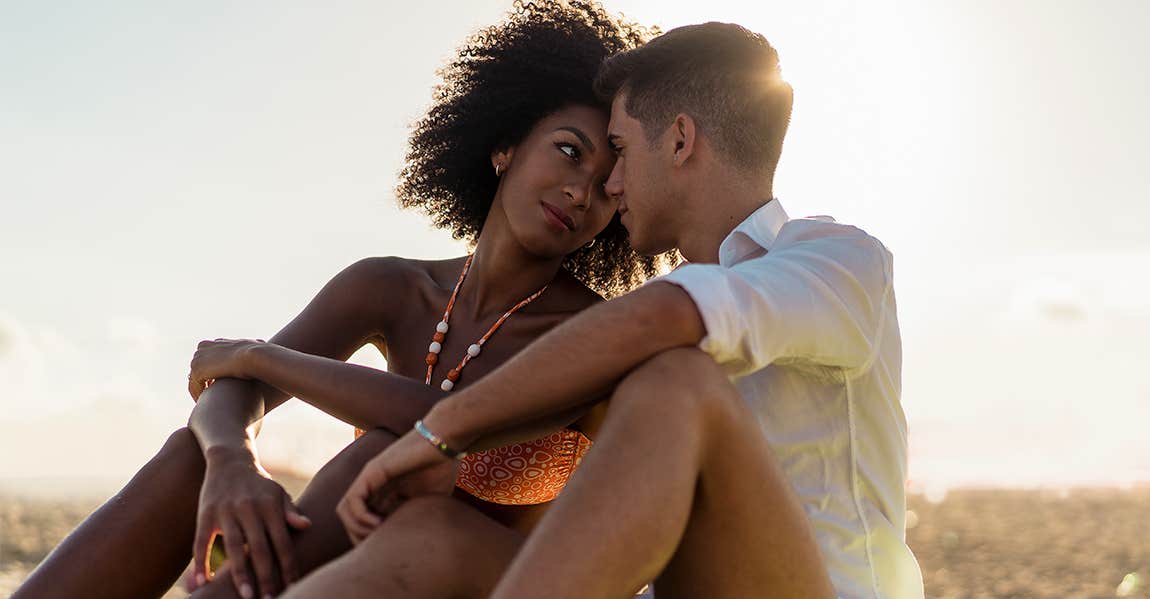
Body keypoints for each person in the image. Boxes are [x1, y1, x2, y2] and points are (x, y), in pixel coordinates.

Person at [12, 3, 666, 598]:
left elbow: (446, 420)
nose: (582, 192)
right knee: (194, 455)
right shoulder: (395, 287)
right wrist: (232, 458)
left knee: (382, 449)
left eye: (608, 184)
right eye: (568, 152)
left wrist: (259, 357)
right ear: (503, 146)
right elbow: (226, 396)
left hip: (475, 582)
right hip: (347, 572)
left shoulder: (593, 330)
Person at [328, 21, 925, 599]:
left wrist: (441, 432)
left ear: (680, 141)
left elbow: (669, 316)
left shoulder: (836, 261)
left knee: (677, 378)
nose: (608, 185)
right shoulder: (671, 299)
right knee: (432, 538)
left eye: (618, 149)